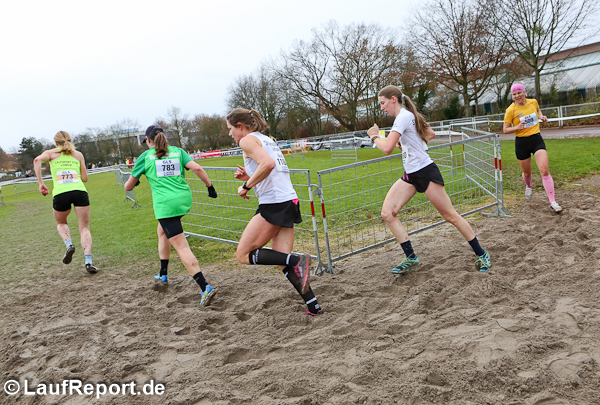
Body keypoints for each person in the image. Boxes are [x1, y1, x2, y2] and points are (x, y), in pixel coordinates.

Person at [367, 85, 492, 273]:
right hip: (411, 174)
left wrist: (374, 136)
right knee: (387, 213)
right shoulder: (405, 116)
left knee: (450, 216)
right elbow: (429, 134)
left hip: (425, 172)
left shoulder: (403, 117)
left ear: (393, 99)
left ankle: (481, 254)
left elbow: (386, 148)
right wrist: (408, 145)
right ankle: (411, 257)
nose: (382, 108)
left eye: (383, 103)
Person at [227, 108, 323, 316]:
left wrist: (246, 186)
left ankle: (298, 261)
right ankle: (313, 306)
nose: (230, 134)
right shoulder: (267, 139)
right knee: (281, 259)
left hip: (274, 203)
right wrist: (249, 177)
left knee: (243, 254)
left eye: (230, 129)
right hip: (288, 200)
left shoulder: (247, 140)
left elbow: (268, 164)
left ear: (240, 127)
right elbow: (272, 170)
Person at [124, 125, 218, 306]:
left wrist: (136, 181)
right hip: (183, 199)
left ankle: (205, 287)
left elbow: (128, 186)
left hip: (166, 205)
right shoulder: (178, 151)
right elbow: (197, 168)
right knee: (162, 231)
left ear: (148, 140)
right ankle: (163, 274)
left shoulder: (145, 157)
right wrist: (210, 187)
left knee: (181, 246)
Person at [33, 131, 98, 273]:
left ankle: (69, 244)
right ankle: (88, 261)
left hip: (61, 193)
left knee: (61, 223)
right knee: (84, 228)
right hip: (79, 191)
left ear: (56, 143)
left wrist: (41, 183)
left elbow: (37, 160)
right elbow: (85, 178)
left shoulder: (51, 153)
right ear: (70, 140)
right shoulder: (78, 155)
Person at [503, 83, 562, 213]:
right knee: (527, 173)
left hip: (536, 140)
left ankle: (553, 202)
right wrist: (517, 127)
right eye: (514, 94)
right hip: (521, 143)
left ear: (524, 92)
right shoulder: (510, 110)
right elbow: (505, 129)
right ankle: (529, 186)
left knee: (544, 170)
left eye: (519, 92)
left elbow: (538, 110)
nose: (517, 96)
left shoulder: (533, 102)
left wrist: (541, 116)